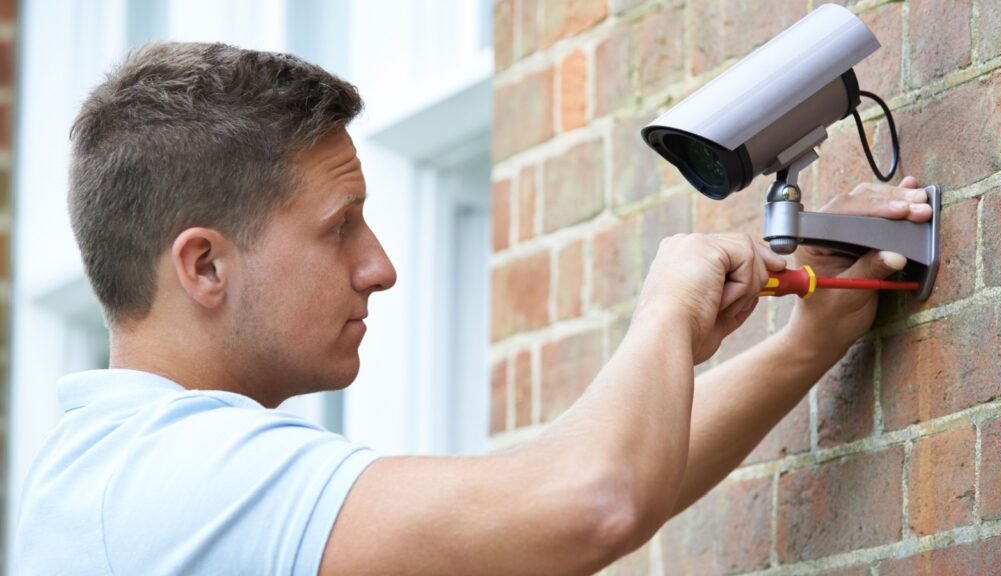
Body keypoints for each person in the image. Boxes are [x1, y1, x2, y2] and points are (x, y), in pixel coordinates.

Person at [13, 43, 933, 575]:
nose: (380, 268)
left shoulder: (118, 474)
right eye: (340, 229)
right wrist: (664, 306)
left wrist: (809, 339)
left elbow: (552, 497)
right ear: (205, 267)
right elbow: (589, 503)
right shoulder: (178, 477)